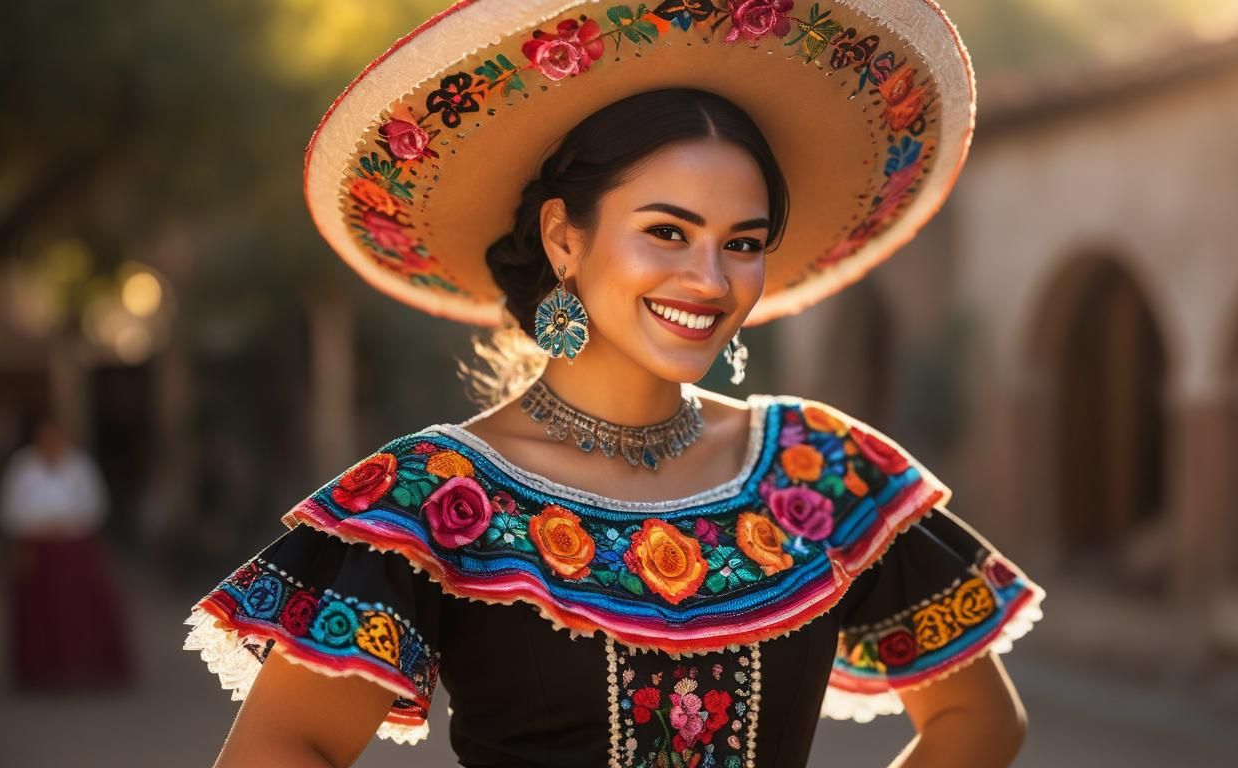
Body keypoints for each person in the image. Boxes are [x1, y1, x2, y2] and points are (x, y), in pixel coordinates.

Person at [185, 1, 1046, 765]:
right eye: (668, 232)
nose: (711, 279)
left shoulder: (815, 471)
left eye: (742, 243)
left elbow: (981, 719)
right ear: (564, 237)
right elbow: (281, 746)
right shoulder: (435, 499)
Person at [2, 411, 134, 690]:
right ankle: (41, 670)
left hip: (73, 545)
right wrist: (38, 526)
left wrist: (68, 523)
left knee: (79, 608)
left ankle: (85, 666)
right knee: (40, 612)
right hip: (38, 548)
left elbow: (95, 503)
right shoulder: (24, 467)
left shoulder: (79, 465)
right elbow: (12, 508)